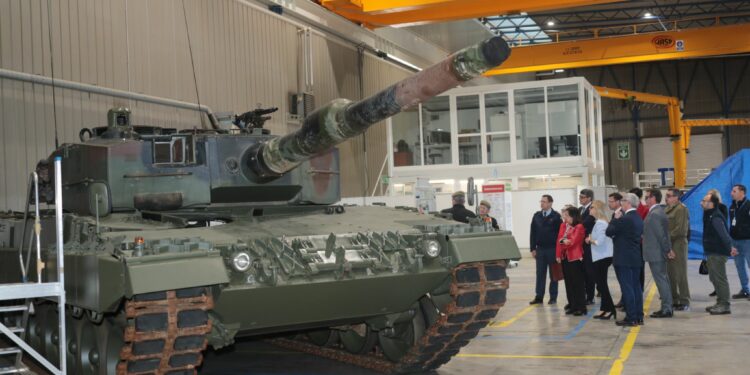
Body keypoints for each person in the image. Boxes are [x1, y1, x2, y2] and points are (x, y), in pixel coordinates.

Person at [606, 193, 644, 327]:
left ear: (627, 202)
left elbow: (609, 232)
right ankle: (639, 316)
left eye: (622, 200)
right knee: (636, 287)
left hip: (623, 258)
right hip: (635, 257)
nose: (621, 203)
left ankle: (631, 317)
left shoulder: (625, 218)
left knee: (627, 288)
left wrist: (615, 219)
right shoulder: (638, 218)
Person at [702, 193, 738, 315]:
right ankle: (720, 302)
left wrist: (730, 247)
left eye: (704, 200)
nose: (702, 202)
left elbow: (723, 234)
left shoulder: (715, 217)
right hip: (712, 251)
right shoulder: (709, 214)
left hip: (718, 253)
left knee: (720, 279)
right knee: (715, 279)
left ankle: (725, 305)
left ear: (711, 203)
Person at [643, 188, 674, 318]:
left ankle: (667, 309)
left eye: (647, 197)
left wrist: (668, 250)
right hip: (656, 252)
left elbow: (662, 235)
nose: (645, 199)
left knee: (661, 280)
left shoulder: (655, 214)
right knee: (663, 279)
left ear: (653, 198)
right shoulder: (656, 212)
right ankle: (667, 307)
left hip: (656, 253)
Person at [529, 194, 562, 305]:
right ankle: (539, 296)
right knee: (540, 274)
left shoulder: (556, 217)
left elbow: (560, 235)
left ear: (550, 203)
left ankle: (553, 297)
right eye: (541, 201)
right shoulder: (536, 216)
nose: (541, 203)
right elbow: (532, 233)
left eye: (544, 201)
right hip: (540, 250)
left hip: (552, 249)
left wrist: (559, 250)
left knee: (554, 274)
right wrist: (533, 248)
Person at [586, 200, 615, 320]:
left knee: (602, 285)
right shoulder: (599, 222)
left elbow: (599, 241)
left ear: (597, 209)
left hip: (602, 257)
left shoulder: (601, 223)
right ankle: (604, 308)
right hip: (601, 256)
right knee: (601, 284)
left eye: (592, 207)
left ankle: (610, 309)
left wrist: (590, 240)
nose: (590, 209)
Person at [556, 206, 587, 316]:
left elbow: (572, 242)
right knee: (569, 283)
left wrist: (563, 241)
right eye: (565, 215)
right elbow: (561, 240)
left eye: (568, 215)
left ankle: (581, 307)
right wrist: (564, 241)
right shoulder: (566, 226)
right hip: (566, 257)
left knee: (577, 283)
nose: (566, 217)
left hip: (575, 258)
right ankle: (573, 306)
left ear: (574, 216)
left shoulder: (579, 226)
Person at [665, 188, 691, 310]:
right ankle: (674, 299)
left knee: (680, 273)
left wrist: (665, 238)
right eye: (667, 196)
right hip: (669, 243)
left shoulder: (681, 209)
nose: (667, 198)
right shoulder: (667, 209)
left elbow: (680, 229)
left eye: (669, 196)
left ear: (676, 197)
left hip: (678, 243)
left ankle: (684, 300)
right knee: (671, 273)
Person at [729, 184, 750, 299]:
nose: (732, 193)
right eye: (732, 191)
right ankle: (745, 290)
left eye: (734, 191)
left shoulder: (749, 205)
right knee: (739, 266)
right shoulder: (732, 206)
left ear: (742, 192)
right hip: (735, 241)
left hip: (747, 241)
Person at [707, 189, 728, 298]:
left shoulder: (720, 210)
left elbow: (721, 229)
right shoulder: (708, 211)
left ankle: (723, 298)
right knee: (712, 273)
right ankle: (718, 290)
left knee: (719, 274)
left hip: (718, 247)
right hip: (710, 246)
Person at [608, 192, 626, 310]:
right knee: (621, 279)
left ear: (619, 201)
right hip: (617, 249)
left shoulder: (621, 214)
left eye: (612, 201)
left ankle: (627, 301)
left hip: (622, 250)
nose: (610, 203)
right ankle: (624, 299)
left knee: (624, 279)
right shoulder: (614, 214)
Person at [579, 189, 597, 305]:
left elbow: (585, 224)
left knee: (589, 271)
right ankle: (584, 294)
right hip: (580, 244)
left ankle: (590, 296)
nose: (580, 199)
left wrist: (576, 225)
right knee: (583, 272)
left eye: (583, 197)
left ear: (589, 198)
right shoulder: (580, 209)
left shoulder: (593, 209)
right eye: (580, 197)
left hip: (589, 244)